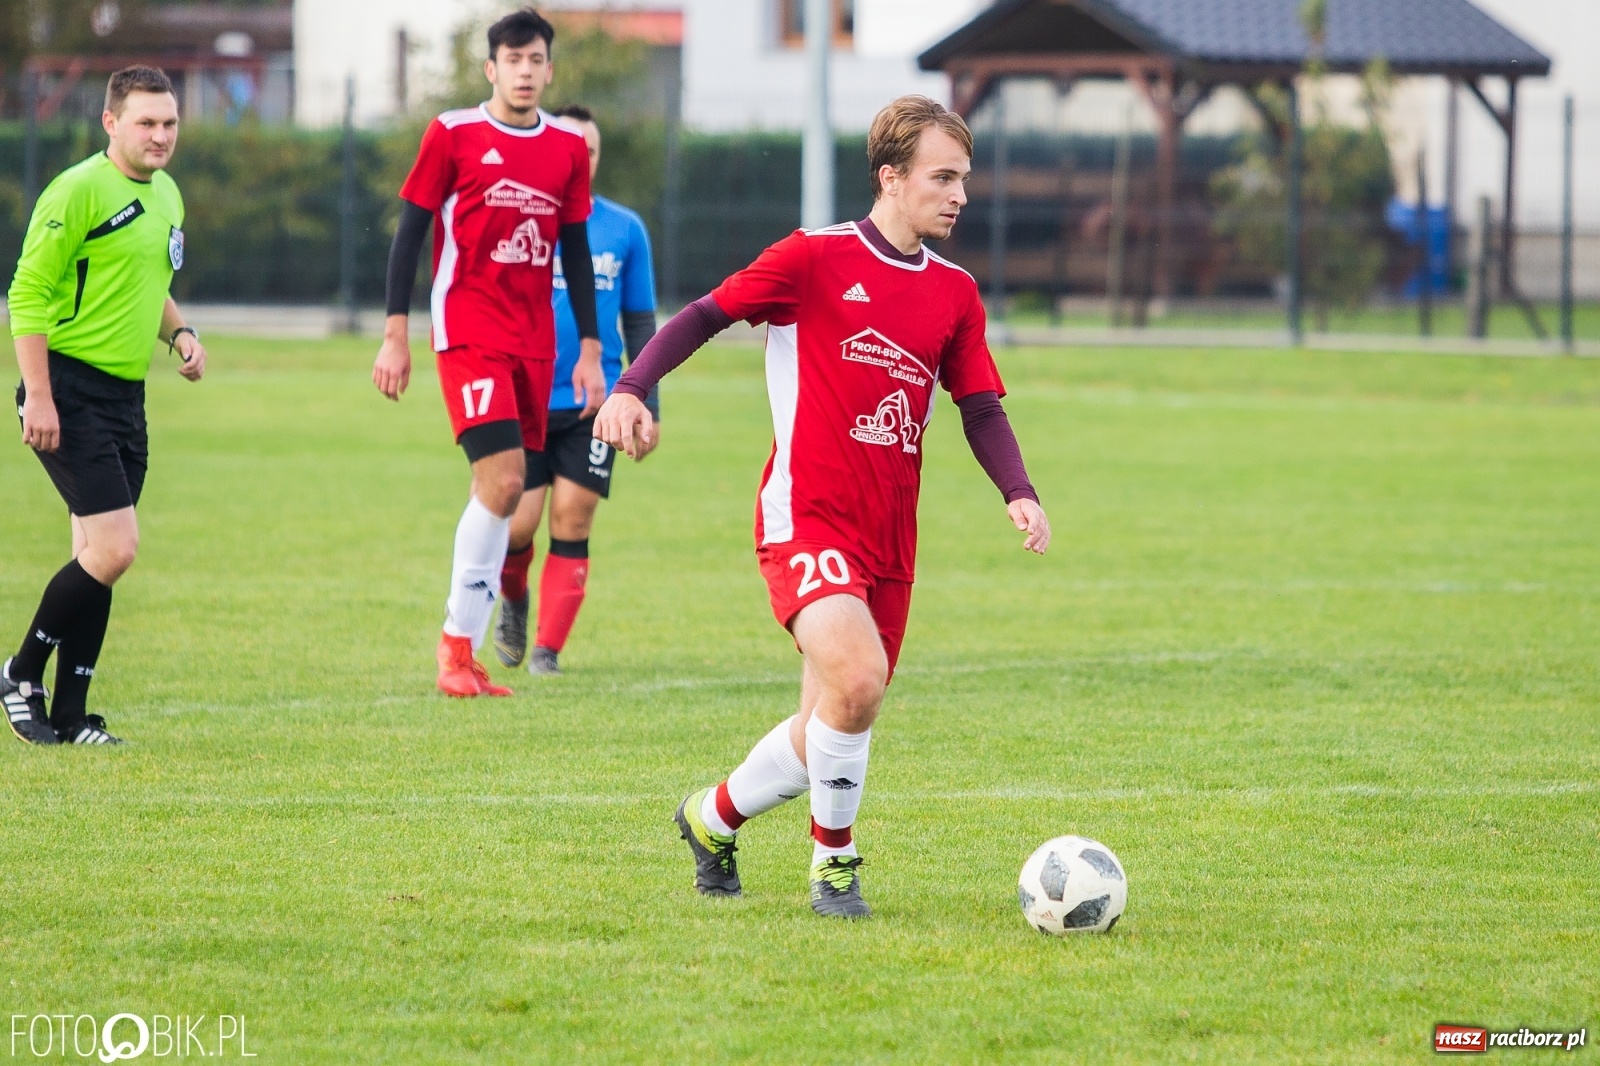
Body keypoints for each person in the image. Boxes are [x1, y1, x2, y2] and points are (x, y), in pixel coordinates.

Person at [594, 95, 1051, 918]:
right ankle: (833, 869)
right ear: (891, 176)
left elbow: (979, 407)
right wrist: (631, 386)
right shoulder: (812, 258)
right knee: (859, 677)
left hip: (890, 536)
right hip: (805, 516)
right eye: (942, 177)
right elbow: (705, 314)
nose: (959, 195)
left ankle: (711, 817)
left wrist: (1019, 491)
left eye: (964, 180)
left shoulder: (954, 293)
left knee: (834, 716)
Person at [373, 8, 603, 698]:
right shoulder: (453, 134)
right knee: (504, 483)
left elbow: (578, 252)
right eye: (514, 60)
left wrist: (589, 349)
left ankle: (466, 655)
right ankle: (454, 648)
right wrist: (395, 332)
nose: (526, 72)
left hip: (537, 345)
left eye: (537, 61)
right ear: (491, 69)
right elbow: (410, 233)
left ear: (549, 69)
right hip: (468, 331)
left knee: (502, 499)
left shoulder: (565, 148)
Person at [5, 66, 207, 746]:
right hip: (67, 387)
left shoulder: (169, 195)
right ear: (110, 123)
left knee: (94, 552)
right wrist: (38, 393)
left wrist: (178, 333)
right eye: (146, 122)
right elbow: (28, 296)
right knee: (115, 549)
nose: (160, 135)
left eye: (169, 123)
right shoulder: (79, 190)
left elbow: (149, 282)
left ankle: (71, 715)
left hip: (126, 395)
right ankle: (19, 670)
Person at [493, 104, 660, 676]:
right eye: (572, 148)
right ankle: (512, 598)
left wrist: (646, 402)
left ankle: (546, 653)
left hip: (596, 401)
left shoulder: (624, 228)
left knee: (574, 514)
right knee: (517, 525)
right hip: (523, 395)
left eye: (590, 150)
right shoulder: (519, 217)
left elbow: (640, 321)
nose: (581, 159)